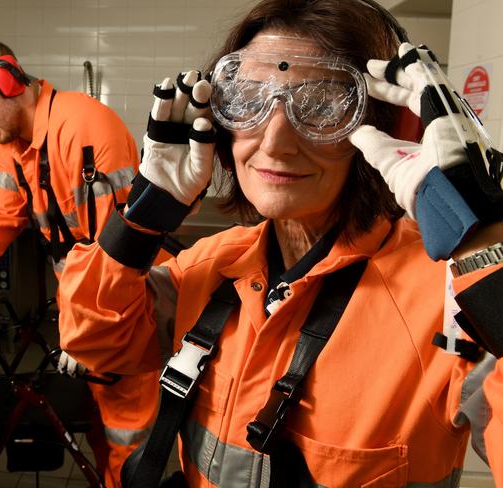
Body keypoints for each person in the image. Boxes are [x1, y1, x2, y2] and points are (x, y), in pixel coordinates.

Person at [57, 0, 503, 486]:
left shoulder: (447, 300)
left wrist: (485, 243)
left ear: (388, 127)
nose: (274, 143)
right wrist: (141, 221)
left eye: (322, 106)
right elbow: (94, 341)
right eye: (247, 100)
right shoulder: (214, 265)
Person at [0, 38, 161, 488]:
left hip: (122, 311)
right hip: (84, 305)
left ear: (7, 77)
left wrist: (87, 333)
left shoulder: (86, 128)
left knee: (126, 437)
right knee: (98, 425)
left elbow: (115, 257)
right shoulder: (12, 148)